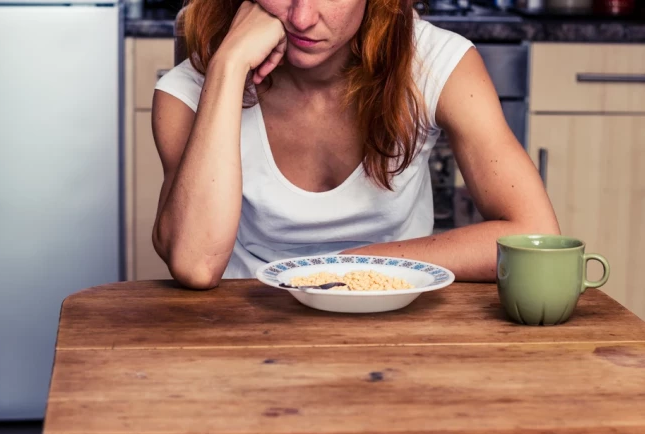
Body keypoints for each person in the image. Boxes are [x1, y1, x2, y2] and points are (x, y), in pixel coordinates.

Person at [151, 0, 560, 290]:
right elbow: (196, 266)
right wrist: (228, 66)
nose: (303, 17)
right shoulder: (186, 92)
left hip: (393, 307)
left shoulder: (435, 61)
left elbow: (534, 233)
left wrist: (348, 268)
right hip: (245, 318)